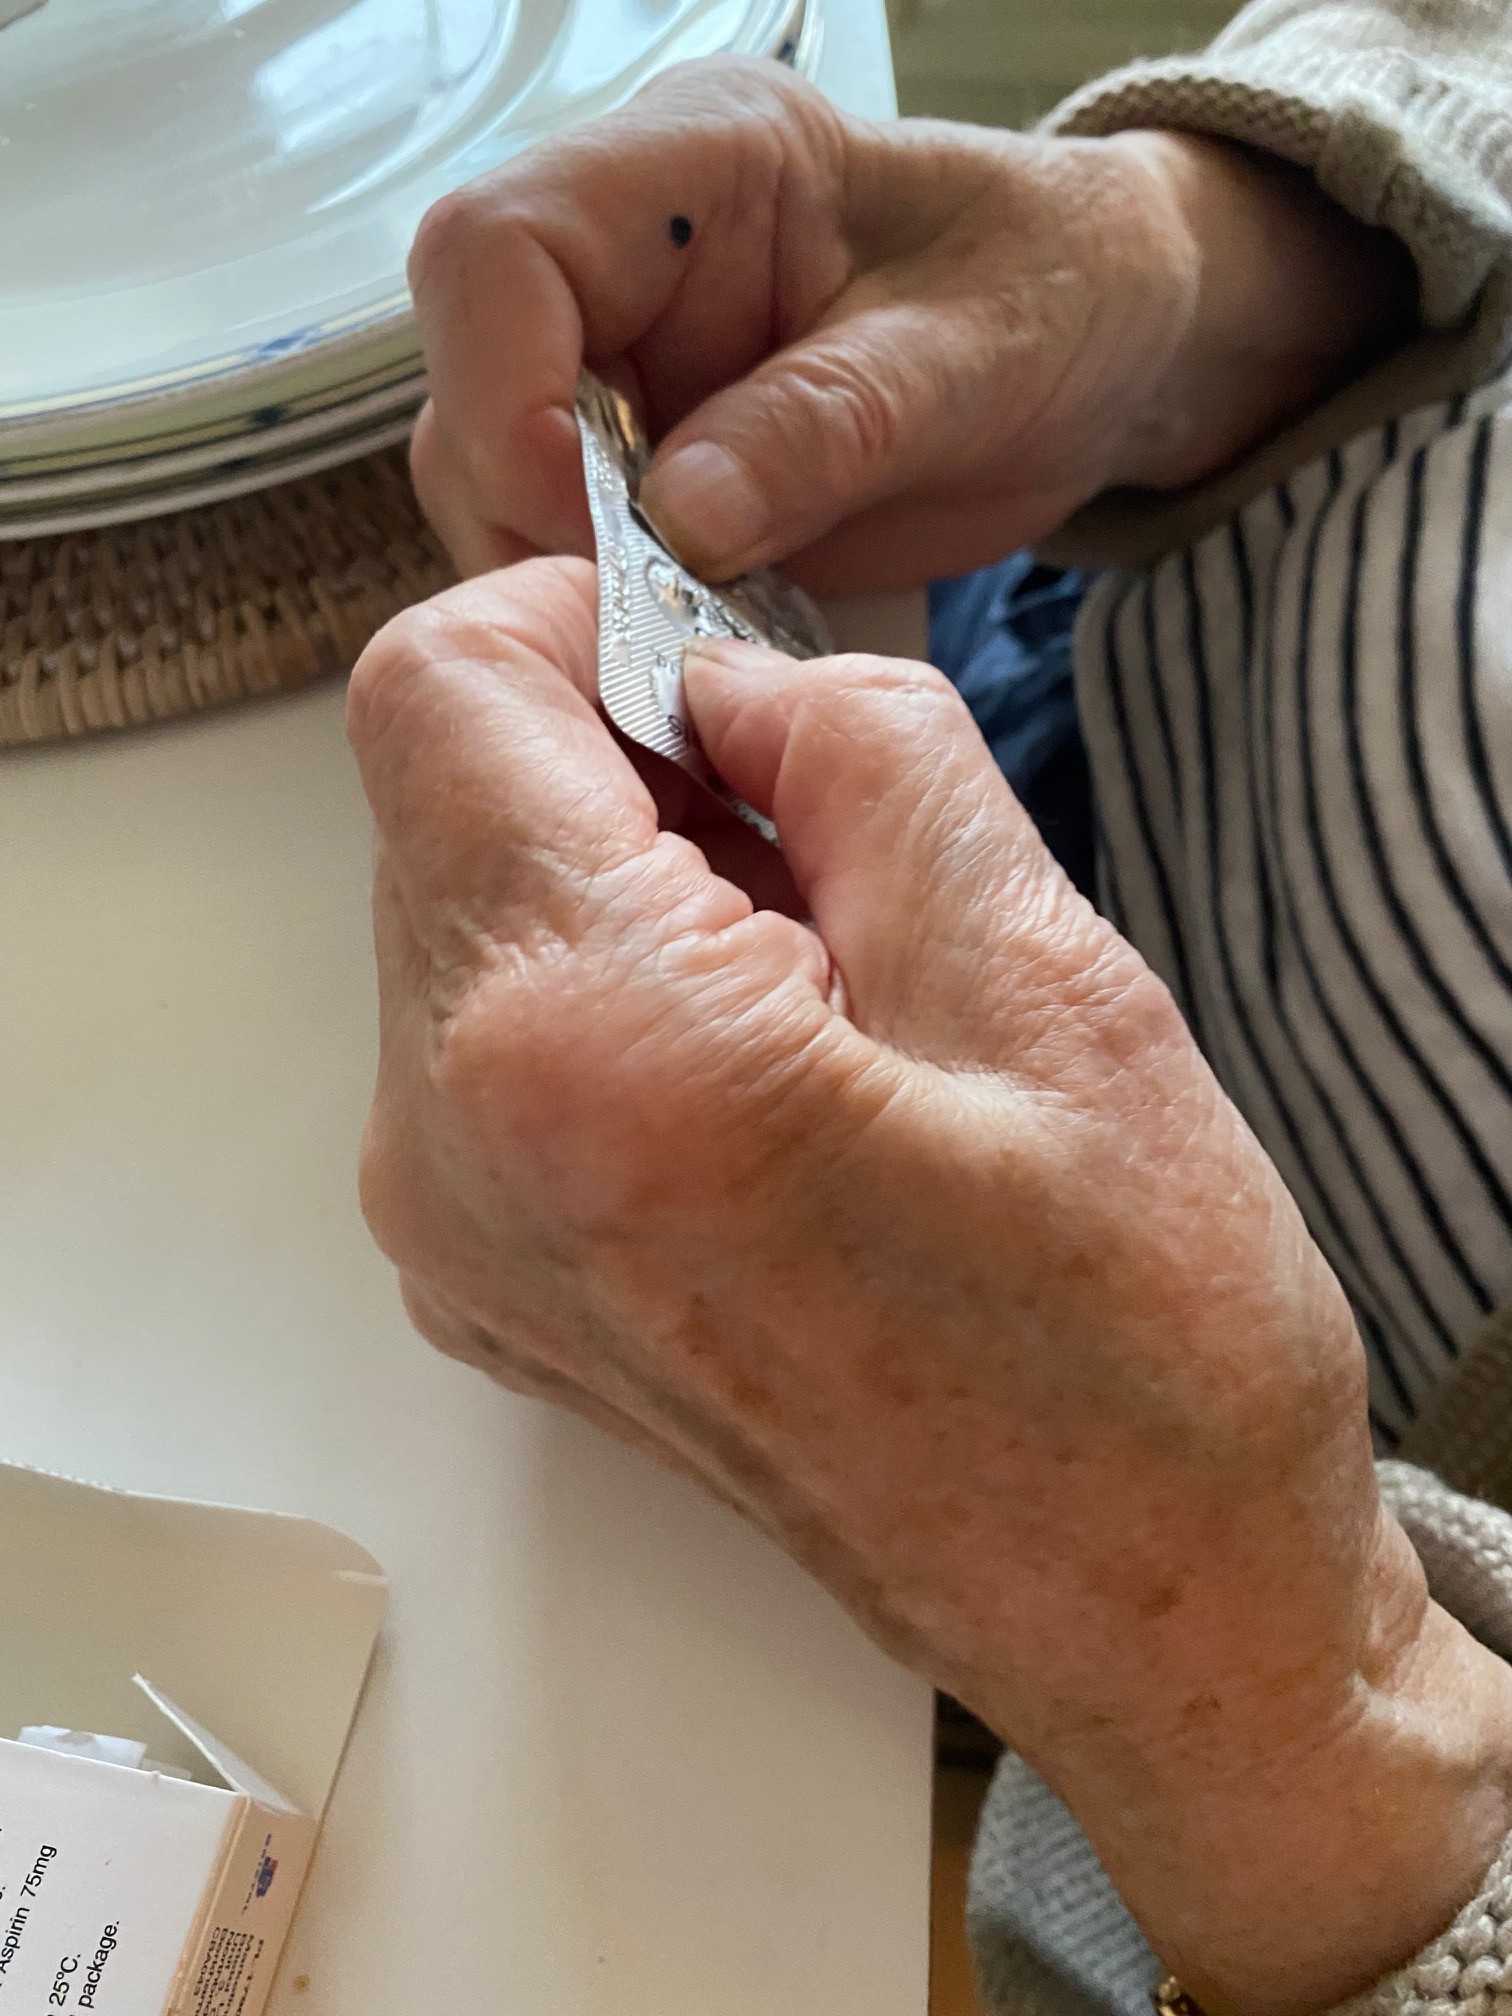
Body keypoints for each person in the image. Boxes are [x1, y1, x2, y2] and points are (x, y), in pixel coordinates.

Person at [345, 2, 1512, 2010]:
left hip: (1108, 1528)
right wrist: (1211, 260)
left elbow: (1342, 1764)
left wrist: (1284, 1688)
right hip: (1030, 553)